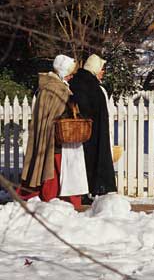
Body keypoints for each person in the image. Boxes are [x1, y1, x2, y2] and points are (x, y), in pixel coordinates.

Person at [18, 54, 88, 209]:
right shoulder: (54, 88)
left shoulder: (57, 86)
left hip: (58, 136)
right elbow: (56, 113)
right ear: (63, 72)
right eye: (69, 73)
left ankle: (57, 198)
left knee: (57, 167)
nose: (71, 76)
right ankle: (53, 198)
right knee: (54, 168)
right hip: (56, 136)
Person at [69, 54, 117, 199]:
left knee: (88, 160)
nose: (103, 72)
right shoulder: (86, 83)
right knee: (88, 161)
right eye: (102, 69)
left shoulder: (85, 82)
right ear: (95, 68)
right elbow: (83, 106)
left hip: (91, 130)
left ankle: (90, 190)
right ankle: (89, 190)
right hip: (89, 131)